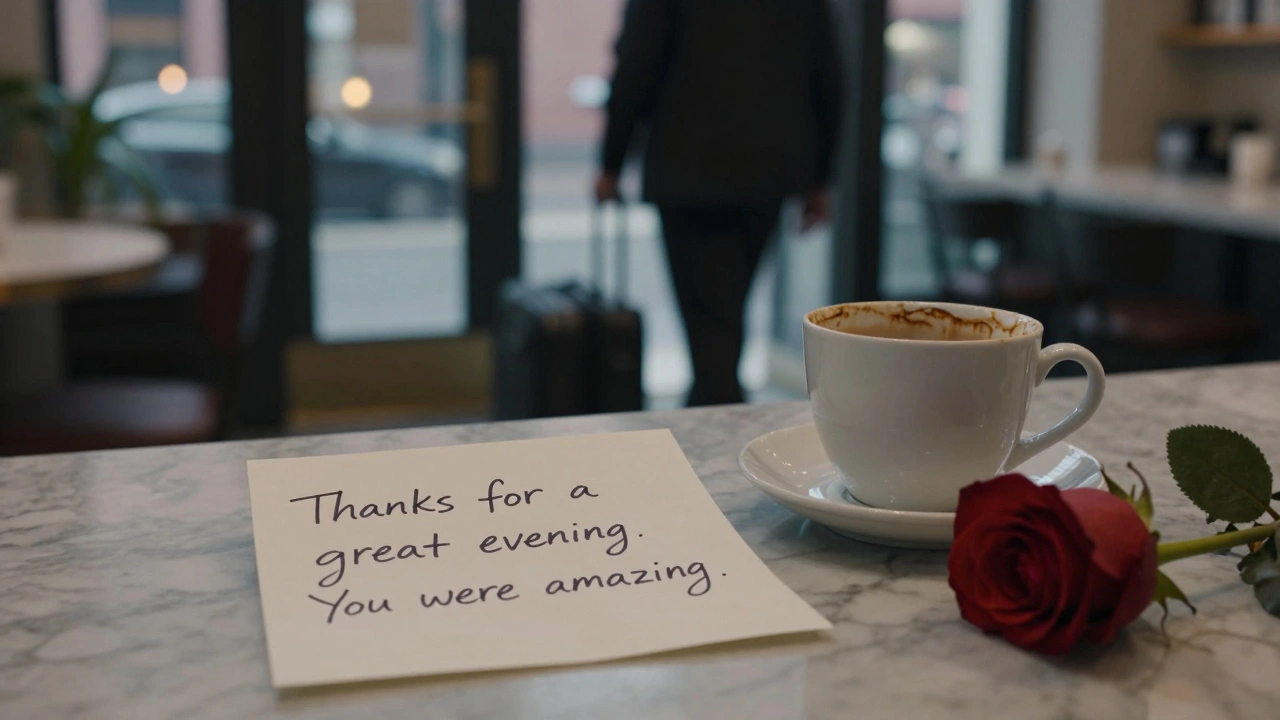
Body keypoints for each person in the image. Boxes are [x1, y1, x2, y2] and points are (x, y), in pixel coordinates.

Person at [596, 0, 843, 406]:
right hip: (769, 171)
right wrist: (820, 178)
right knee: (726, 311)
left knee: (710, 318)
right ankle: (713, 412)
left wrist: (611, 164)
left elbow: (634, 66)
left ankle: (715, 427)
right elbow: (830, 78)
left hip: (688, 168)